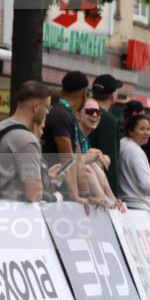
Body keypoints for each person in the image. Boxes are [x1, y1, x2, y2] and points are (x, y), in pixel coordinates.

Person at [0, 81, 62, 202]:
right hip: (15, 213)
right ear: (36, 106)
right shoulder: (26, 139)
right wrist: (55, 198)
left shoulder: (0, 126)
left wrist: (47, 176)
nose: (48, 112)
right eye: (47, 108)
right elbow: (34, 193)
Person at [41, 70, 88, 203]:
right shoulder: (60, 114)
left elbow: (77, 158)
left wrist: (85, 193)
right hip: (53, 190)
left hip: (58, 188)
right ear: (84, 92)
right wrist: (75, 196)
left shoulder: (67, 115)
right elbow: (67, 157)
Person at [76, 98, 123, 209]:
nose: (94, 115)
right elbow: (74, 162)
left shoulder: (85, 138)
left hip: (81, 185)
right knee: (91, 164)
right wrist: (94, 156)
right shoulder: (75, 133)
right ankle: (106, 199)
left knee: (95, 162)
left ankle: (110, 199)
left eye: (97, 112)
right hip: (64, 184)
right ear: (78, 115)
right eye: (89, 111)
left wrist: (99, 156)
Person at [88, 74, 123, 195]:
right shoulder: (108, 120)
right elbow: (110, 160)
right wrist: (113, 195)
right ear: (113, 95)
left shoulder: (82, 112)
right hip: (100, 190)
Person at [119, 113, 150, 210]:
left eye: (148, 129)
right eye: (142, 129)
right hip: (138, 206)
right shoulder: (135, 150)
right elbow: (146, 185)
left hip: (127, 202)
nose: (146, 132)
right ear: (130, 131)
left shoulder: (123, 144)